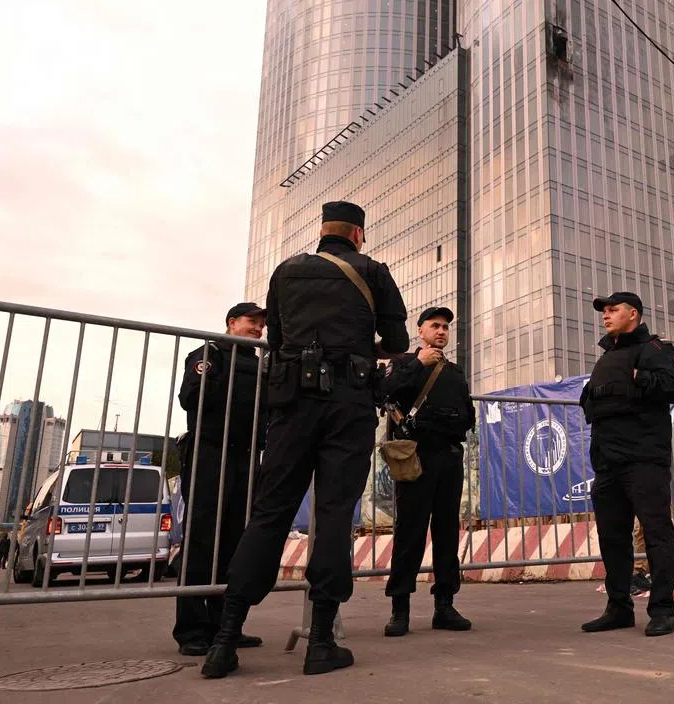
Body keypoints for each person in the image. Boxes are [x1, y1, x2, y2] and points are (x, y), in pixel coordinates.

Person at [202, 201, 408, 679]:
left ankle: (225, 641)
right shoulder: (372, 271)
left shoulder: (285, 272)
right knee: (334, 515)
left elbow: (277, 338)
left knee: (270, 512)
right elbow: (396, 344)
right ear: (358, 233)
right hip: (349, 405)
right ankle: (320, 642)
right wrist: (361, 348)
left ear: (321, 231)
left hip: (292, 405)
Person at [579, 291, 674, 637]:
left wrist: (641, 378)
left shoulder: (657, 350)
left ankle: (662, 609)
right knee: (613, 538)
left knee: (657, 533)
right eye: (604, 311)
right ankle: (619, 607)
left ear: (634, 314)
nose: (606, 315)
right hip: (608, 462)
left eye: (613, 310)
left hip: (644, 459)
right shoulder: (606, 358)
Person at [173, 302, 268, 656]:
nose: (257, 328)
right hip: (210, 454)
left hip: (246, 457)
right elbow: (190, 397)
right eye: (251, 321)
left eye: (261, 324)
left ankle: (226, 625)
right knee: (202, 541)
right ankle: (193, 629)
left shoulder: (260, 365)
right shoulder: (209, 352)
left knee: (234, 544)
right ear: (231, 323)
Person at [381, 306, 475, 637]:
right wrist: (417, 364)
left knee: (448, 532)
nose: (441, 331)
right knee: (410, 533)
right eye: (435, 326)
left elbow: (468, 412)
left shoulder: (454, 371)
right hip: (415, 458)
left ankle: (444, 606)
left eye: (446, 327)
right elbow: (384, 393)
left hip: (449, 457)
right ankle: (400, 609)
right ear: (420, 331)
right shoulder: (404, 363)